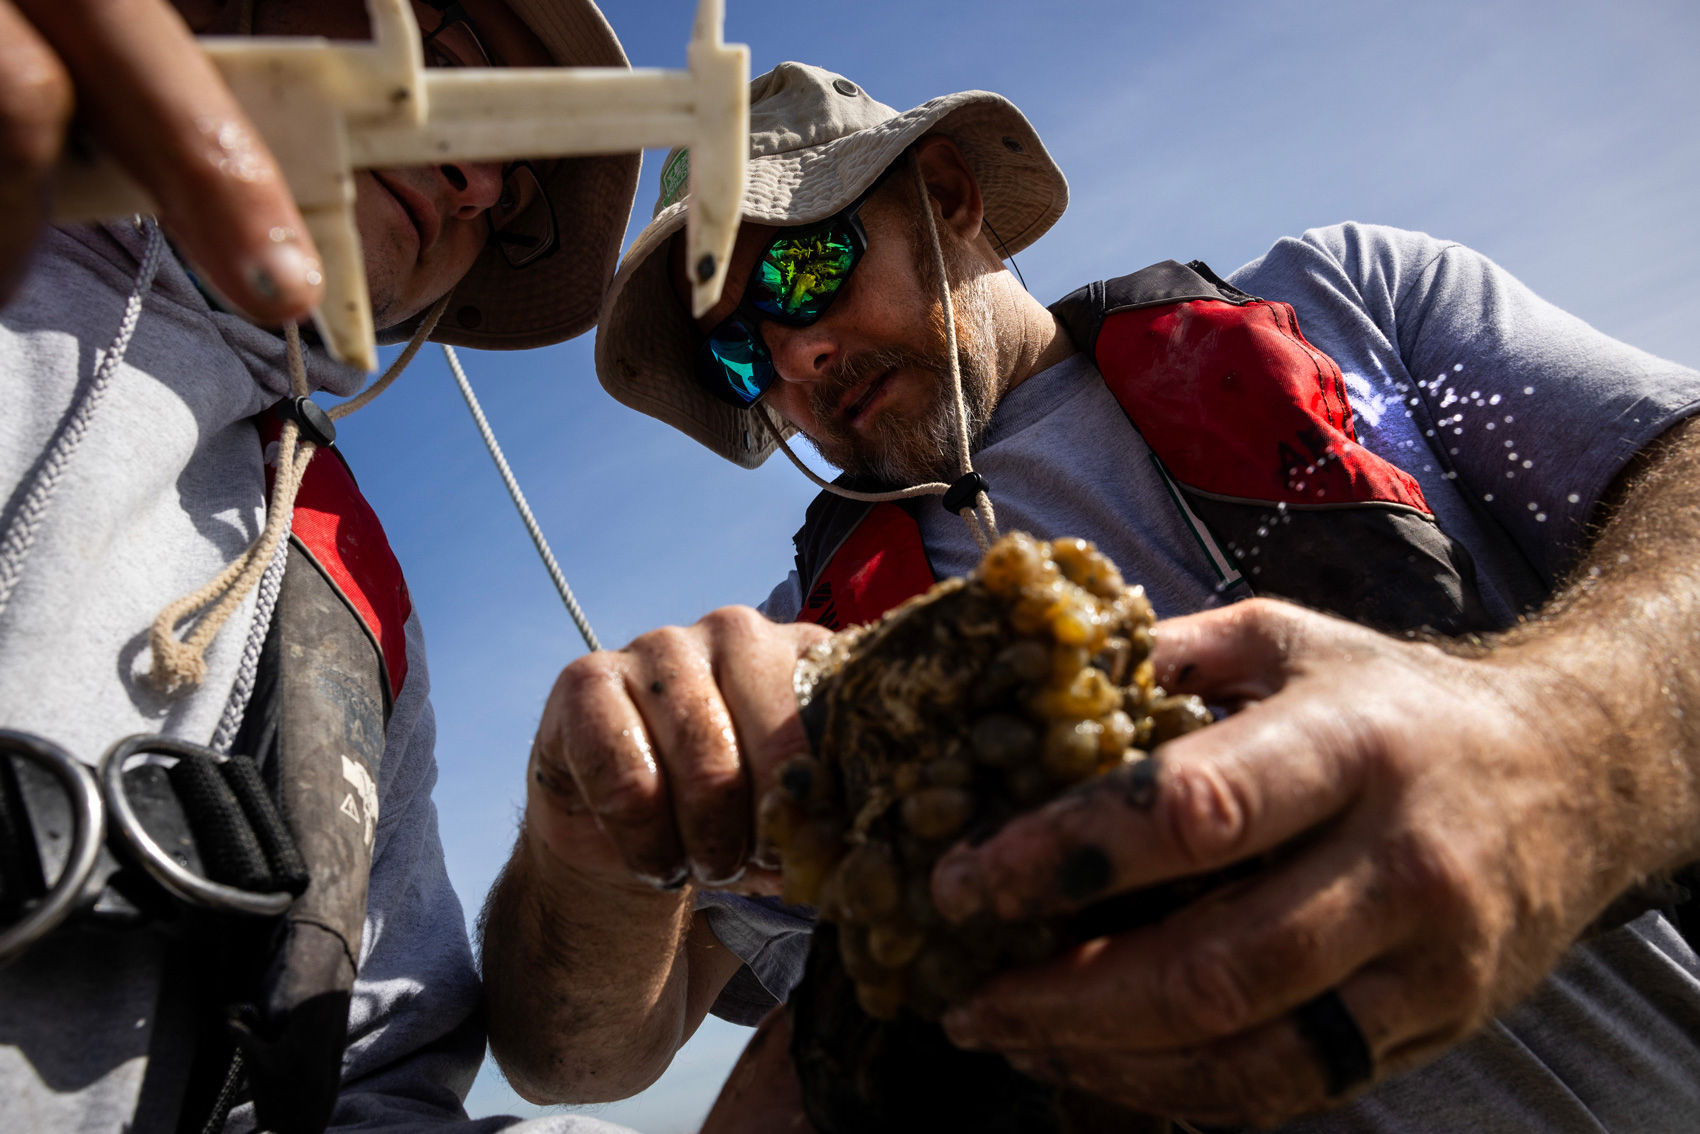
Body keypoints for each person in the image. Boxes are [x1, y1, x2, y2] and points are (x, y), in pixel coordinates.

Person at [480, 62, 1700, 1130]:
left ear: (948, 198)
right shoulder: (792, 677)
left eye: (801, 267)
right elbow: (578, 1057)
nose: (793, 359)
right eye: (738, 349)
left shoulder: (1352, 305)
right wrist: (588, 839)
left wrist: (1560, 736)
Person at [0, 1, 647, 1131]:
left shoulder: (354, 612)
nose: (480, 178)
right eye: (445, 68)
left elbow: (367, 1084)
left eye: (517, 190)